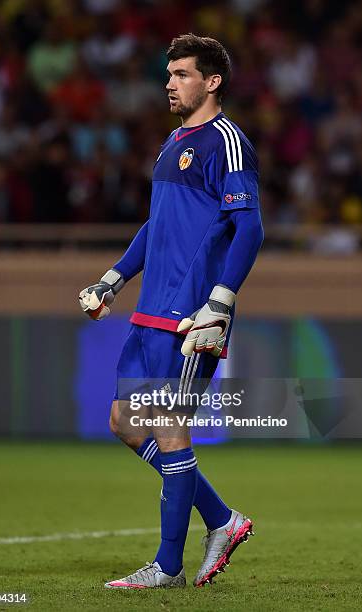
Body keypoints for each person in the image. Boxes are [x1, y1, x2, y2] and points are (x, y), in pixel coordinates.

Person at [79, 33, 264, 589]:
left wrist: (220, 302)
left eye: (181, 73)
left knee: (170, 427)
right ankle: (221, 519)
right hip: (146, 311)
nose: (169, 82)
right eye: (169, 73)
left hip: (189, 317)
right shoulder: (171, 142)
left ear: (212, 82)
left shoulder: (227, 142)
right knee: (123, 421)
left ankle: (167, 566)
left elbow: (250, 227)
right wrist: (112, 280)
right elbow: (156, 226)